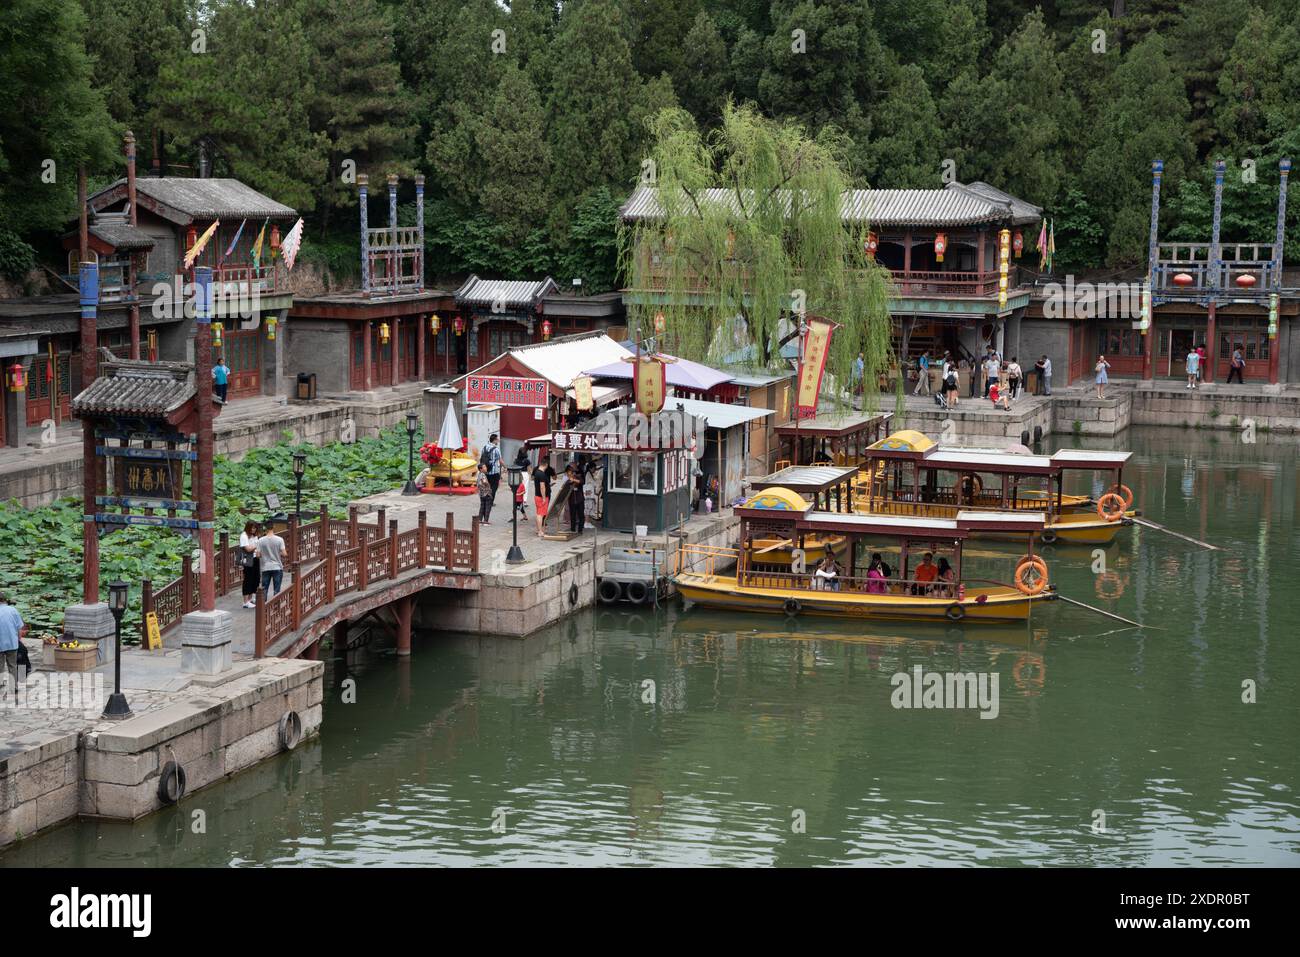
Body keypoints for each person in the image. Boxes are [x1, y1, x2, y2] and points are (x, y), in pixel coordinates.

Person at [0, 592, 28, 697]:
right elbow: (19, 627)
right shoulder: (13, 610)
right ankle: (14, 687)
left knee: (0, 665)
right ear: (5, 600)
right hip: (12, 642)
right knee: (12, 665)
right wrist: (18, 640)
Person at [255, 523, 286, 598]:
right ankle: (276, 607)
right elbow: (284, 554)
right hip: (277, 566)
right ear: (274, 527)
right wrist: (277, 553)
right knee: (277, 589)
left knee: (264, 589)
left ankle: (263, 606)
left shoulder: (260, 540)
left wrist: (265, 554)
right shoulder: (279, 539)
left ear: (265, 528)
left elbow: (258, 555)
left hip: (265, 567)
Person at [239, 520, 261, 609]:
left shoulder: (254, 536)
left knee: (256, 578)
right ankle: (245, 602)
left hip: (255, 558)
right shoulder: (244, 536)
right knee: (248, 579)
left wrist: (257, 549)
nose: (254, 530)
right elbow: (247, 549)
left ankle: (251, 598)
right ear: (248, 527)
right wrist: (256, 545)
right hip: (248, 560)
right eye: (252, 528)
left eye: (255, 528)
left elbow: (255, 547)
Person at [532, 454, 554, 536]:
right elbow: (542, 487)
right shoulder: (541, 474)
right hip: (541, 497)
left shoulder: (537, 472)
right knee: (540, 514)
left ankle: (540, 530)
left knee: (539, 513)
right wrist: (544, 498)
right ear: (546, 465)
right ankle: (540, 531)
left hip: (537, 495)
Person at [482, 433, 503, 503]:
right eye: (497, 439)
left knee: (487, 486)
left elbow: (482, 458)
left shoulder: (484, 447)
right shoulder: (496, 449)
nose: (498, 441)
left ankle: (485, 499)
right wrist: (506, 467)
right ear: (494, 440)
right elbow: (500, 460)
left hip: (485, 470)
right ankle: (490, 501)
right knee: (494, 487)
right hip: (494, 472)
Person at [566, 461, 586, 533]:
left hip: (580, 499)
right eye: (568, 474)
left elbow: (582, 482)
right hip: (572, 501)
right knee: (573, 516)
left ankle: (580, 530)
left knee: (581, 515)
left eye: (570, 473)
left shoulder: (578, 477)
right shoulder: (568, 482)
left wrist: (574, 480)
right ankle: (573, 529)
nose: (569, 475)